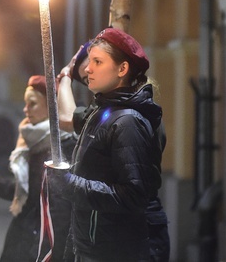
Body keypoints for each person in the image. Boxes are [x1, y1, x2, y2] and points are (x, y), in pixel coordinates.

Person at [49, 28, 167, 261]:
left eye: (97, 61)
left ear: (122, 69)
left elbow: (132, 195)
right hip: (92, 247)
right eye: (89, 61)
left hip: (113, 251)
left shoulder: (127, 122)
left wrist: (68, 182)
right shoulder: (101, 113)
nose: (88, 69)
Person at [0, 75, 76, 262]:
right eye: (25, 104)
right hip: (24, 236)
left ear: (51, 107)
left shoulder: (65, 146)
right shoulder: (30, 144)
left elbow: (62, 207)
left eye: (32, 104)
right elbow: (27, 194)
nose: (25, 110)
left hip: (46, 242)